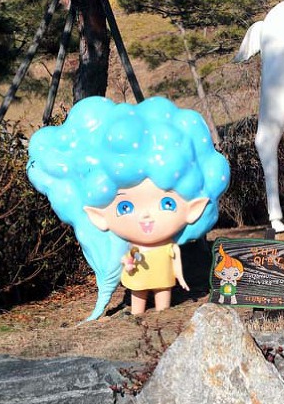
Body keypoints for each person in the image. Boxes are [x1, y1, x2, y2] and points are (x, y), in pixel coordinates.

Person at [28, 96, 230, 320]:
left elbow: (175, 262)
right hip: (138, 277)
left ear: (194, 209)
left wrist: (181, 278)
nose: (146, 215)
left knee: (162, 296)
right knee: (138, 293)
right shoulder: (126, 242)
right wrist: (127, 261)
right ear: (98, 217)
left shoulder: (171, 243)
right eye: (125, 207)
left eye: (167, 203)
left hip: (163, 278)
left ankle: (161, 310)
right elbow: (127, 259)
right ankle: (138, 310)